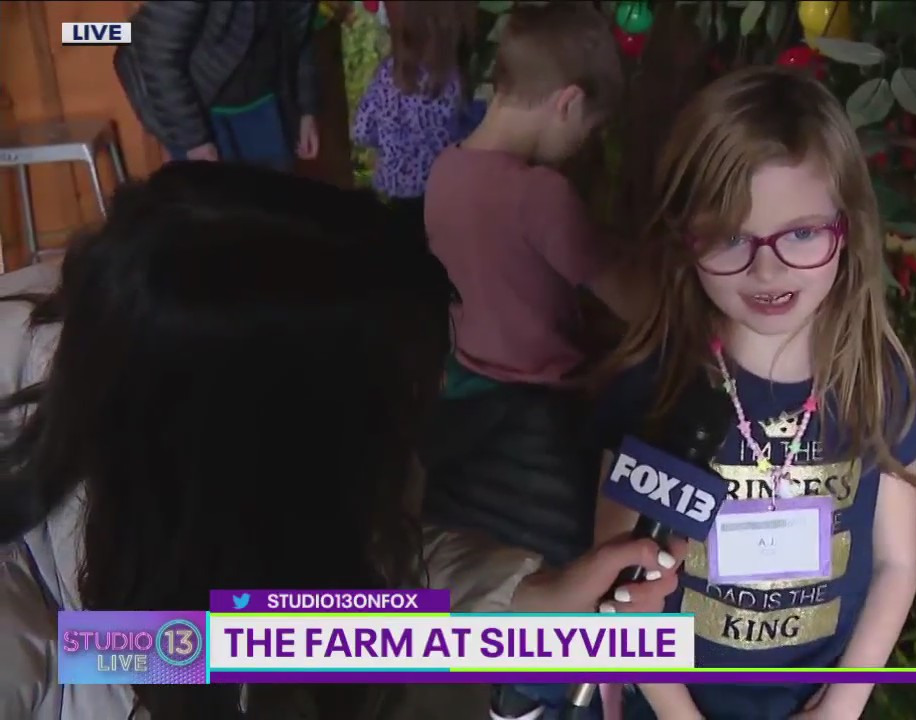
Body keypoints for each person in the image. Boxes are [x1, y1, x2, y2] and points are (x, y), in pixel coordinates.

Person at [0, 162, 685, 720]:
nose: (415, 471)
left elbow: (288, 604)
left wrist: (533, 603)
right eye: (391, 445)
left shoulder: (146, 361)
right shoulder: (25, 646)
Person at [520, 66, 916, 720]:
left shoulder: (878, 379)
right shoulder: (653, 388)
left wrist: (841, 706)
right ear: (685, 237)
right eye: (730, 239)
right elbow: (621, 588)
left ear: (848, 228)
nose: (767, 268)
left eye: (801, 233)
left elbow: (896, 562)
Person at [417, 3, 630, 567]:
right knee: (560, 562)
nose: (586, 142)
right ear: (570, 102)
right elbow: (632, 296)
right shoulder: (540, 193)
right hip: (542, 415)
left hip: (461, 399)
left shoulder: (445, 169)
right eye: (591, 127)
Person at [114, 1, 321, 169]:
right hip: (198, 114)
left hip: (266, 107)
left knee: (273, 212)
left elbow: (299, 35)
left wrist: (306, 109)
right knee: (211, 213)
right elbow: (156, 55)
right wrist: (193, 141)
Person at [352, 2, 476, 236]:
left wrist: (390, 146)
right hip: (440, 191)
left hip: (394, 192)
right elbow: (464, 136)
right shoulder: (452, 80)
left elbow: (361, 130)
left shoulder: (387, 75)